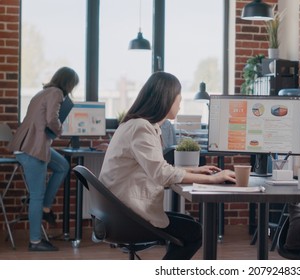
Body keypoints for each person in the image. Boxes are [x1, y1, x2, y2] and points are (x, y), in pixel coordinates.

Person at [98, 71, 236, 260]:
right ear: (167, 98)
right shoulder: (141, 127)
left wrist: (193, 170)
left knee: (189, 224)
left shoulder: (135, 124)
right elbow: (162, 174)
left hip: (119, 213)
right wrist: (212, 179)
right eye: (179, 96)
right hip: (127, 216)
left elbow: (155, 167)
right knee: (194, 232)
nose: (180, 102)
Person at [8, 66, 79, 251]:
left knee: (62, 165)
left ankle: (46, 208)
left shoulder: (43, 92)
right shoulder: (56, 93)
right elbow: (51, 119)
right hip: (32, 148)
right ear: (68, 83)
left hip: (27, 144)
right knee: (36, 196)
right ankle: (36, 241)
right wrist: (60, 130)